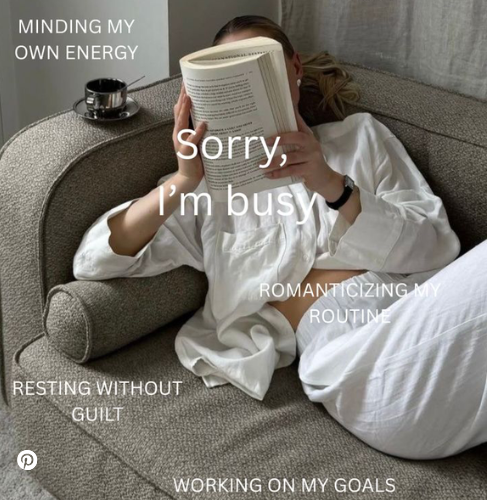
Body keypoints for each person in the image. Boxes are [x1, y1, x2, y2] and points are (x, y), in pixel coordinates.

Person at [73, 16, 487, 459]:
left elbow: (438, 245)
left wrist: (333, 185)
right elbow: (96, 259)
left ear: (294, 68)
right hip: (357, 359)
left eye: (259, 63)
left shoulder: (360, 137)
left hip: (426, 308)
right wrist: (183, 179)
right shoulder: (208, 192)